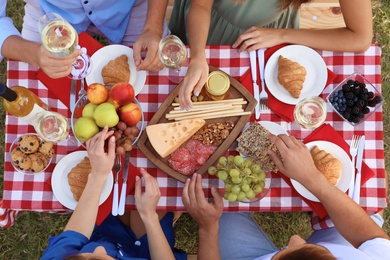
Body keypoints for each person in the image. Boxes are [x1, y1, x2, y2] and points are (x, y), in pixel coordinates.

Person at [169, 0, 373, 110]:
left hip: (269, 30)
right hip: (205, 26)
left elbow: (361, 38)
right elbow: (201, 5)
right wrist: (197, 55)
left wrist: (282, 34)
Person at [215, 134, 390, 259]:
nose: (295, 238)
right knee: (371, 192)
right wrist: (312, 178)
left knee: (223, 208)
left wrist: (206, 228)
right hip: (348, 247)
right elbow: (374, 239)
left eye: (286, 251)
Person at [41, 126, 186, 259]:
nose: (99, 249)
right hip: (147, 253)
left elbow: (73, 235)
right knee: (149, 204)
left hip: (103, 234)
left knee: (132, 203)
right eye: (104, 257)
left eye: (85, 256)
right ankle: (170, 217)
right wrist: (150, 217)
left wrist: (98, 175)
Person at [0, 0, 169, 79]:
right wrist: (35, 54)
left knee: (154, 70)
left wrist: (152, 29)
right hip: (49, 13)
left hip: (128, 6)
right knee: (39, 89)